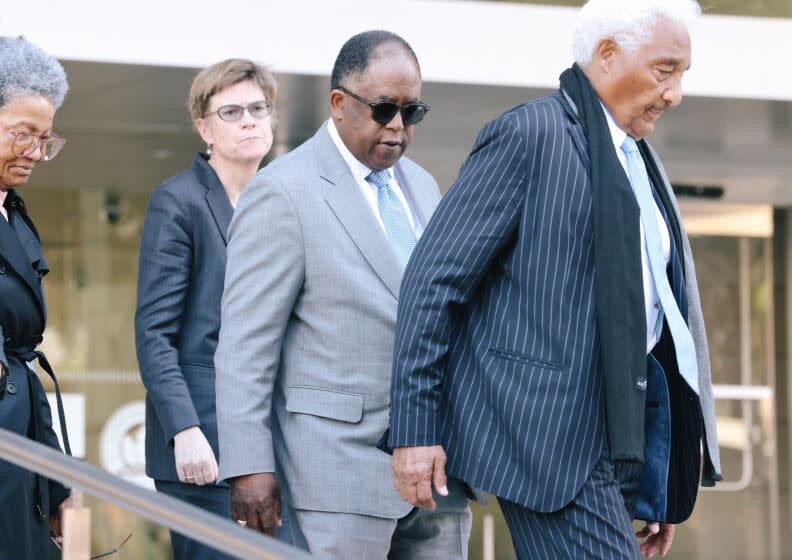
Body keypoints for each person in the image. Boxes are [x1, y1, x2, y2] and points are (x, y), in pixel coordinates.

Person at [387, 1, 722, 558]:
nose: (675, 94)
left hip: (622, 441)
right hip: (547, 441)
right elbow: (432, 282)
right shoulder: (528, 134)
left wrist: (659, 480)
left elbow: (663, 313)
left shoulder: (639, 159)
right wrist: (415, 430)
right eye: (666, 70)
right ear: (608, 55)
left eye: (682, 75)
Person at [215, 30, 472, 558]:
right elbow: (245, 345)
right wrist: (249, 465)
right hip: (334, 477)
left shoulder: (422, 185)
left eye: (411, 112)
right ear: (338, 104)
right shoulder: (283, 190)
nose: (398, 127)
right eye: (384, 110)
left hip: (436, 469)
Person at [135, 58, 276, 560]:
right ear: (204, 127)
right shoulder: (178, 201)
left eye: (258, 108)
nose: (249, 121)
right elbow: (154, 332)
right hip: (202, 450)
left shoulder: (281, 200)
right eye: (231, 111)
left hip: (271, 445)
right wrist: (184, 429)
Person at [0, 36, 72, 560]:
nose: (36, 153)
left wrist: (58, 476)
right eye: (22, 134)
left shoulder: (16, 216)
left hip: (19, 442)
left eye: (45, 139)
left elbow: (23, 360)